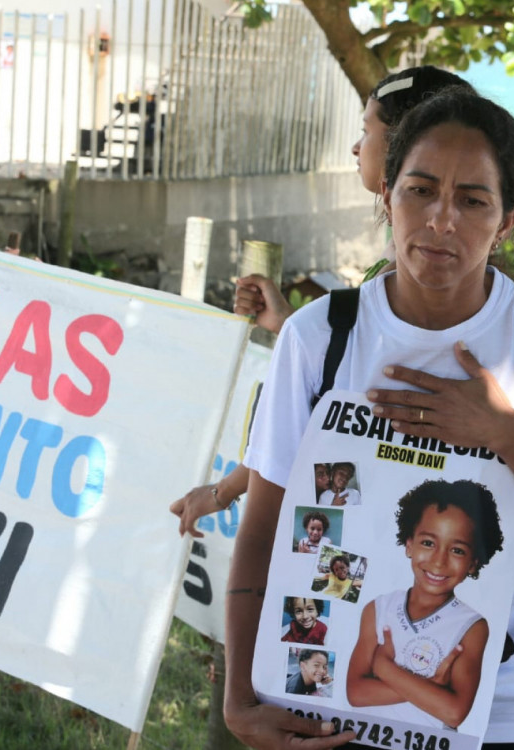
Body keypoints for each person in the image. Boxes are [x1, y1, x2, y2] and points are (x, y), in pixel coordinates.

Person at [225, 87, 514, 750]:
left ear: (509, 217)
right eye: (420, 190)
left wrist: (506, 435)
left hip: (505, 717)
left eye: (473, 200)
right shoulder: (318, 337)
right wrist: (240, 699)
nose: (441, 220)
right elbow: (263, 527)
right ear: (386, 193)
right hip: (325, 710)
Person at [169, 66, 475, 537]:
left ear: (401, 145)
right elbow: (357, 387)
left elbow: (345, 419)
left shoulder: (418, 270)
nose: (356, 148)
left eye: (365, 131)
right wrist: (299, 328)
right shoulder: (406, 268)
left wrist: (223, 491)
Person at [347, 480, 505, 729]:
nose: (439, 561)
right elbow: (356, 693)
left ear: (474, 563)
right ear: (409, 545)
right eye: (428, 543)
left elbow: (453, 712)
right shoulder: (378, 609)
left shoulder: (472, 626)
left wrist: (384, 667)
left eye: (457, 550)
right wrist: (430, 685)